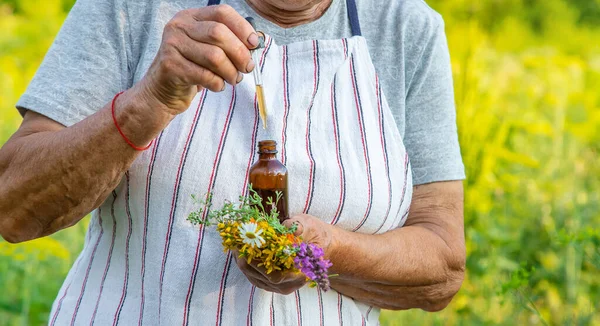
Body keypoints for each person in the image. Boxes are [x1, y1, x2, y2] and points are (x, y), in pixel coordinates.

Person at [0, 0, 466, 324]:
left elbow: (441, 265)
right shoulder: (138, 7)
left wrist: (326, 250)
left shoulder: (408, 27)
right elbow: (13, 206)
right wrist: (148, 102)